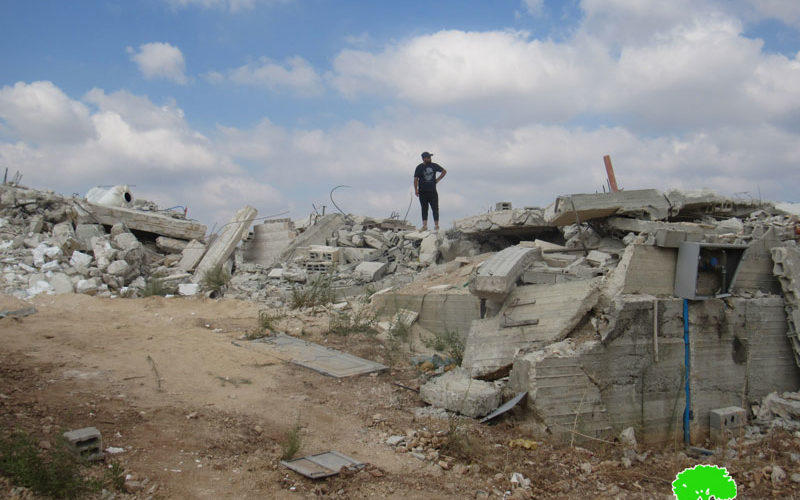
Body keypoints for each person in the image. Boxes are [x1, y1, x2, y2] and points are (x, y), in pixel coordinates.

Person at [413, 151, 447, 231]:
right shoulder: (419, 167)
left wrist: (437, 179)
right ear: (424, 159)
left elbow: (444, 171)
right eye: (428, 157)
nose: (430, 158)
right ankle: (424, 226)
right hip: (422, 191)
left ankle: (436, 225)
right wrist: (416, 190)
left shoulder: (434, 165)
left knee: (435, 208)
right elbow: (415, 179)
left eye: (430, 157)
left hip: (432, 191)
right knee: (424, 208)